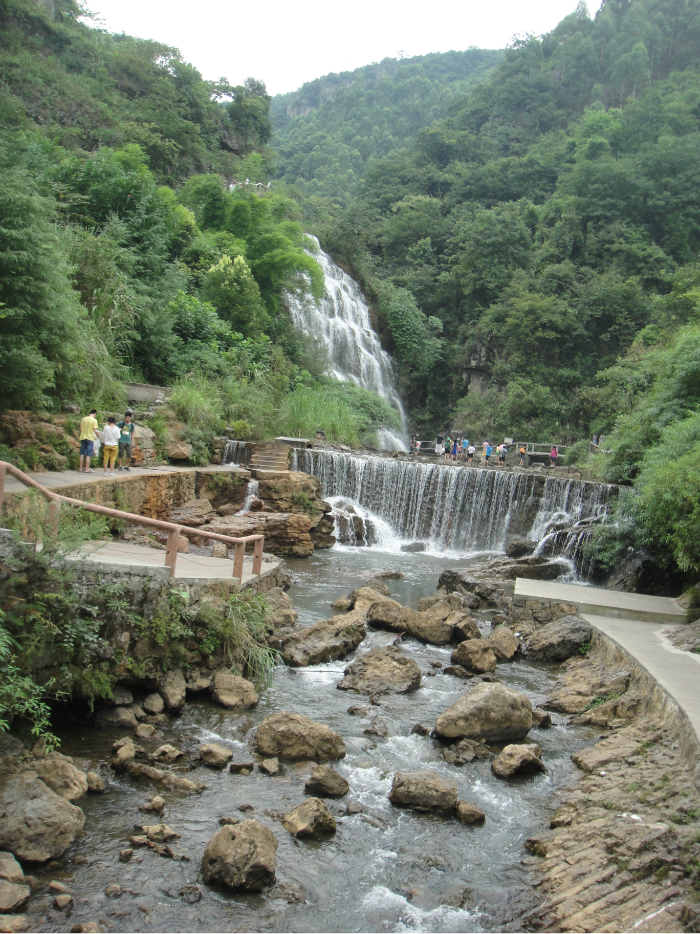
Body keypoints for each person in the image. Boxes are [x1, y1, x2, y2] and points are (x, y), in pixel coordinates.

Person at [79, 408, 99, 473]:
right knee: (88, 454)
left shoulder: (84, 419)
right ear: (94, 413)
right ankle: (86, 469)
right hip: (90, 438)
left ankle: (80, 468)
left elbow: (80, 428)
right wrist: (98, 435)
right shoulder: (94, 420)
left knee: (82, 453)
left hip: (83, 437)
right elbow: (95, 430)